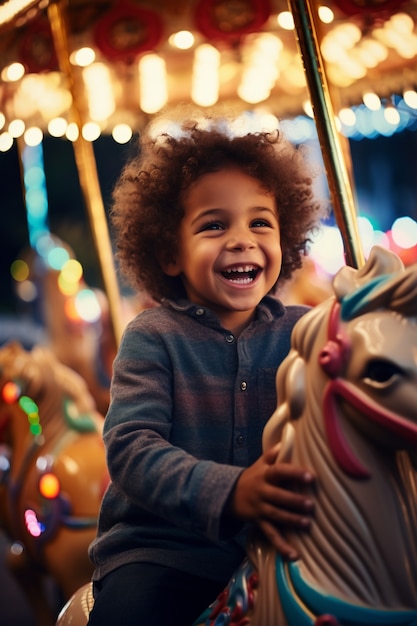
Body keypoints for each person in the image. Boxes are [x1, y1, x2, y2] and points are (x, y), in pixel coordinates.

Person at [87, 111, 326, 626]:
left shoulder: (309, 331)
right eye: (214, 225)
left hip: (282, 542)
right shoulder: (153, 336)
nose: (241, 239)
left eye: (260, 222)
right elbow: (132, 448)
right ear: (171, 253)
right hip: (165, 552)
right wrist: (232, 491)